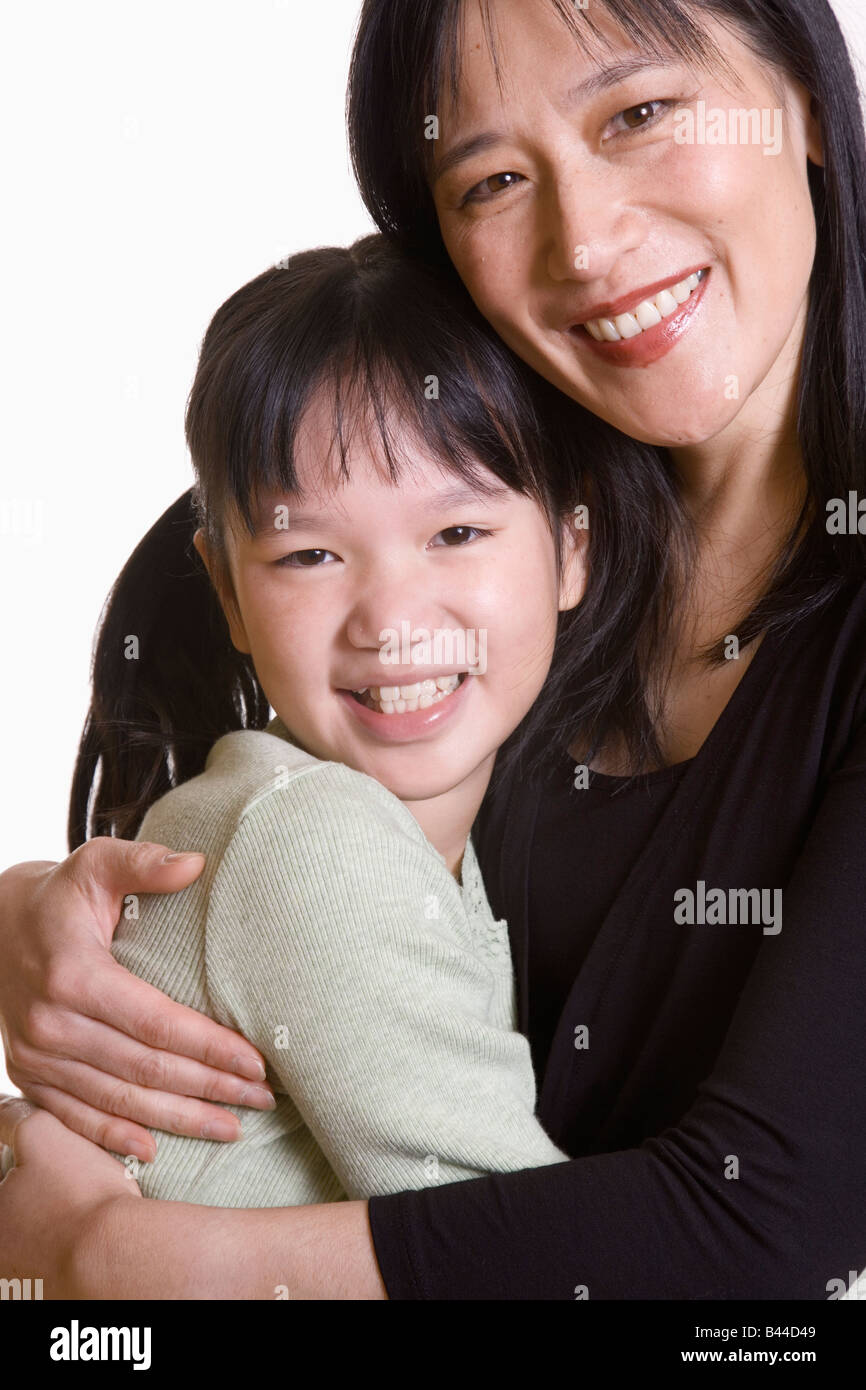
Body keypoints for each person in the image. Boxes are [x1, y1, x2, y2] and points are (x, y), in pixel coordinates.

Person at [2, 0, 866, 1299]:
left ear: (799, 95)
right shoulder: (423, 548)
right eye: (493, 180)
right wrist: (35, 928)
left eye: (638, 113)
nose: (585, 241)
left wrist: (112, 1256)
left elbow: (758, 1231)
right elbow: (218, 895)